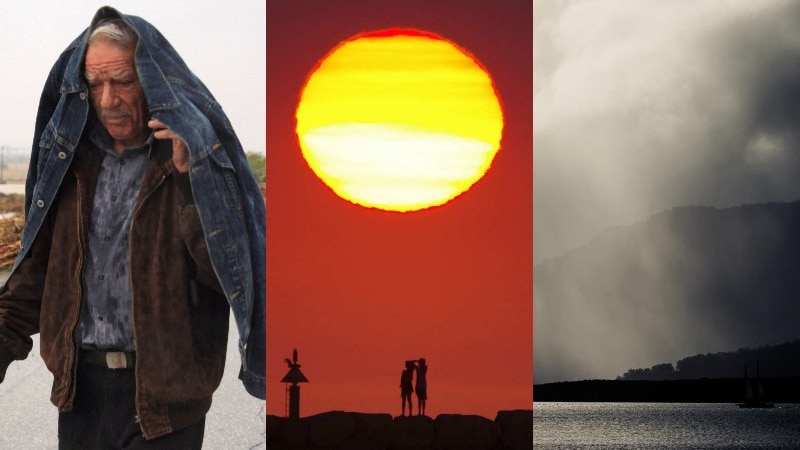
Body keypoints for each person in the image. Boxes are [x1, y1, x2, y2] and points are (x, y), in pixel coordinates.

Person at [0, 6, 265, 448]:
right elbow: (34, 275)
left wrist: (189, 182)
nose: (107, 99)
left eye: (122, 80)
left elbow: (227, 277)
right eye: (95, 84)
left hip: (165, 406)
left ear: (152, 81)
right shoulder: (71, 167)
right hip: (79, 395)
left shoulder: (189, 166)